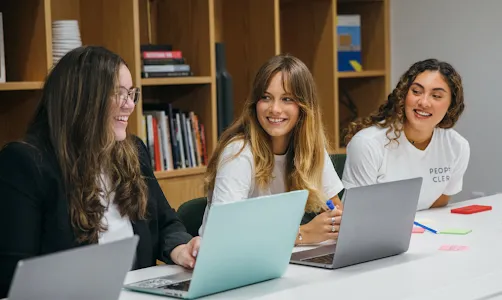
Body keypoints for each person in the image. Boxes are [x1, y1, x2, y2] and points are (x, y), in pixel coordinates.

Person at [0, 46, 199, 297]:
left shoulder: (133, 151)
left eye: (132, 94)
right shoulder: (25, 163)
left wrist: (180, 247)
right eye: (119, 94)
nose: (130, 105)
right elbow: (12, 278)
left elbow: (166, 222)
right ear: (83, 98)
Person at [199, 54, 344, 245]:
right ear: (255, 103)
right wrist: (301, 234)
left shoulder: (311, 149)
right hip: (230, 261)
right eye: (266, 97)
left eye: (286, 99)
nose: (275, 109)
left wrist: (335, 223)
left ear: (304, 107)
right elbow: (223, 235)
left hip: (275, 257)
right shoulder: (238, 153)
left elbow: (337, 212)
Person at [342, 58, 470, 210]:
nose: (424, 102)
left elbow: (440, 201)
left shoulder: (457, 146)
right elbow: (356, 212)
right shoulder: (368, 143)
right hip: (375, 232)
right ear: (403, 95)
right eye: (416, 91)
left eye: (436, 96)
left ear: (451, 105)